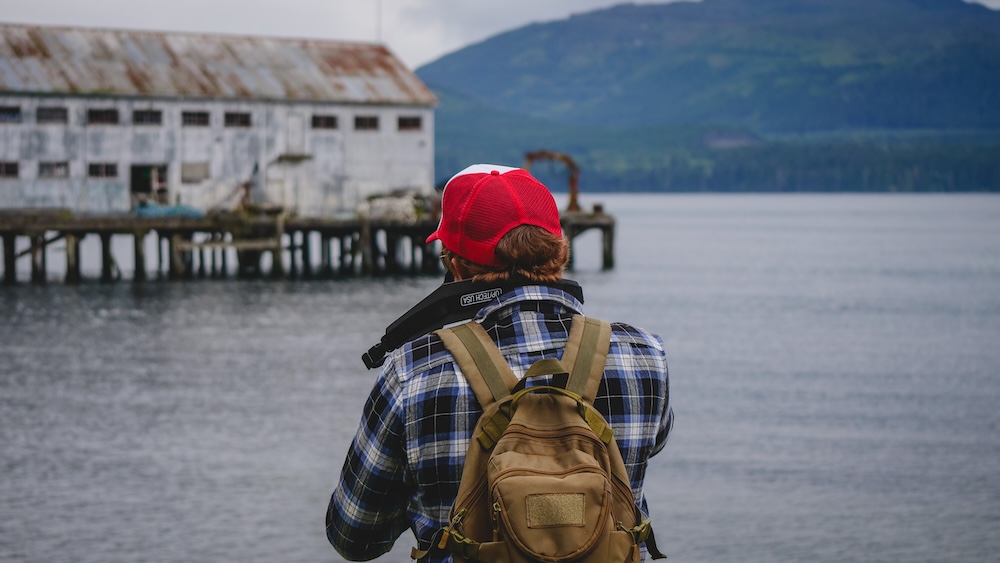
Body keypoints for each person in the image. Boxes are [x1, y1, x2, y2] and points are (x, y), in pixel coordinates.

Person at [326, 164, 673, 561]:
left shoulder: (412, 371)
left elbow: (353, 536)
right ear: (560, 252)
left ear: (455, 266)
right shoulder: (645, 356)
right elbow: (652, 443)